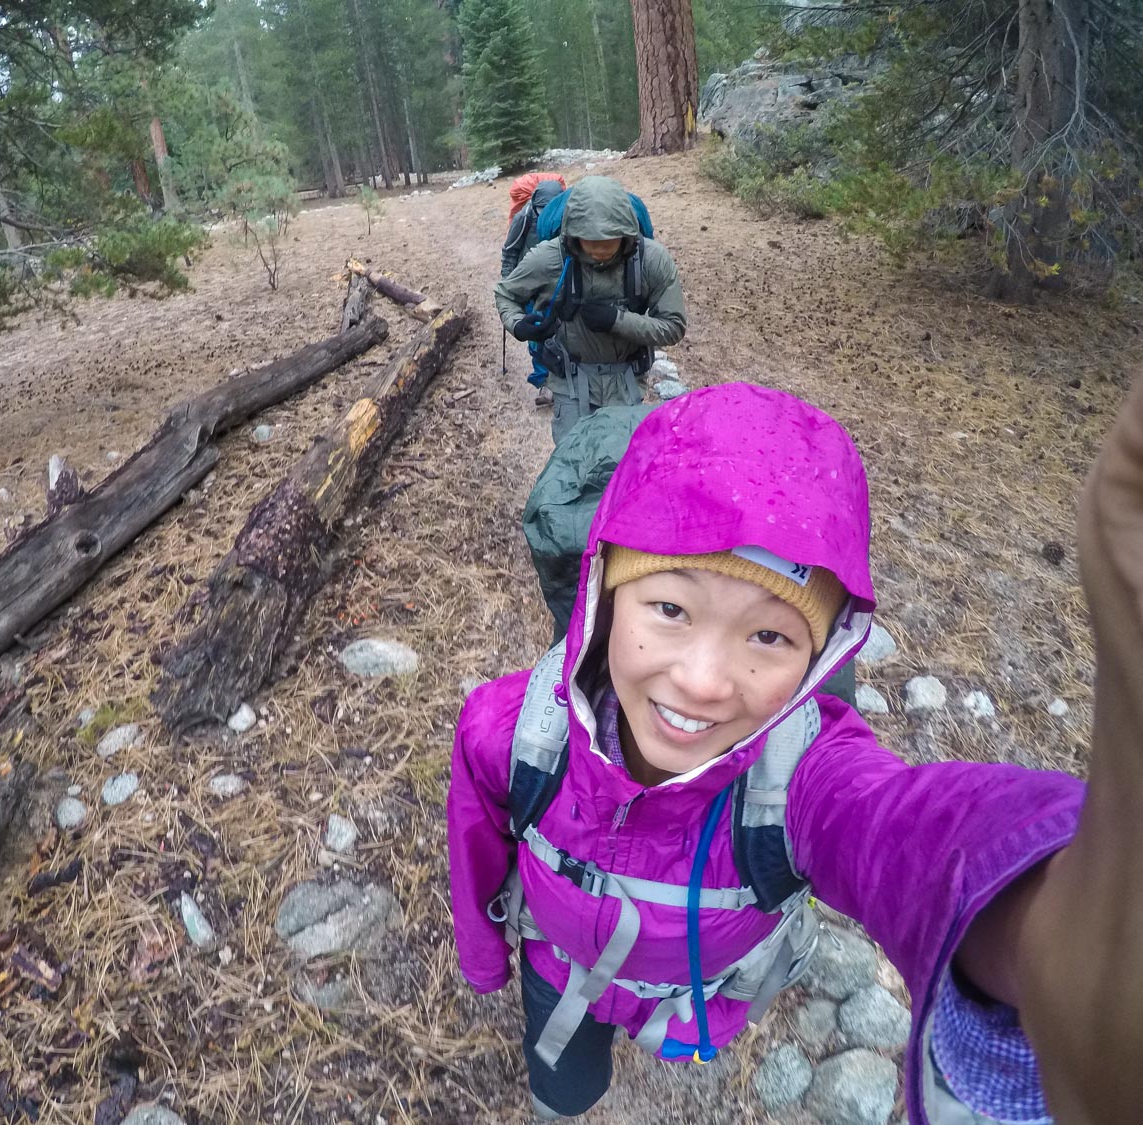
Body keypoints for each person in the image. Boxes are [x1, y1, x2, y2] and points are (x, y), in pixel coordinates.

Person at [447, 381, 1137, 1122]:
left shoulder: (805, 782)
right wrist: (486, 961)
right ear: (607, 595)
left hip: (696, 995)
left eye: (770, 636)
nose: (704, 681)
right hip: (560, 974)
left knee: (674, 1041)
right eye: (670, 608)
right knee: (566, 1093)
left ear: (818, 657)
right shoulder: (513, 729)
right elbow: (477, 851)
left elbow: (918, 841)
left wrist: (1083, 920)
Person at [494, 175, 686, 445]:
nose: (599, 250)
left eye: (608, 240)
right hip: (569, 380)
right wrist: (517, 324)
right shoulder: (551, 258)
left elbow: (673, 325)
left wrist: (617, 320)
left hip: (626, 381)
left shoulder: (651, 260)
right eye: (589, 241)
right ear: (573, 232)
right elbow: (505, 292)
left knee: (617, 466)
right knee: (573, 464)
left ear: (626, 231)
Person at [501, 174, 568, 408]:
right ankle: (544, 381)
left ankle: (561, 377)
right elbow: (510, 251)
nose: (544, 216)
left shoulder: (567, 216)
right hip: (529, 283)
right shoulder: (524, 217)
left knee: (561, 330)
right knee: (536, 333)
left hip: (557, 282)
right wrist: (509, 285)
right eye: (541, 210)